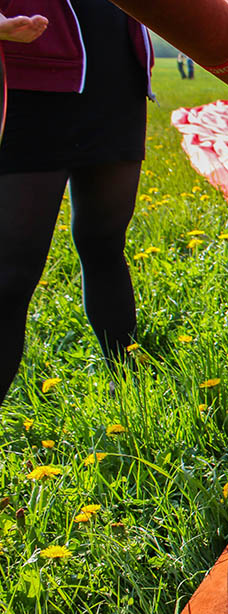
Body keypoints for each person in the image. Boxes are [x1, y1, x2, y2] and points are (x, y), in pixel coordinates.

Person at [0, 0, 153, 405]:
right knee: (9, 274)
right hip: (29, 76)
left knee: (105, 243)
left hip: (117, 77)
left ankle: (130, 387)